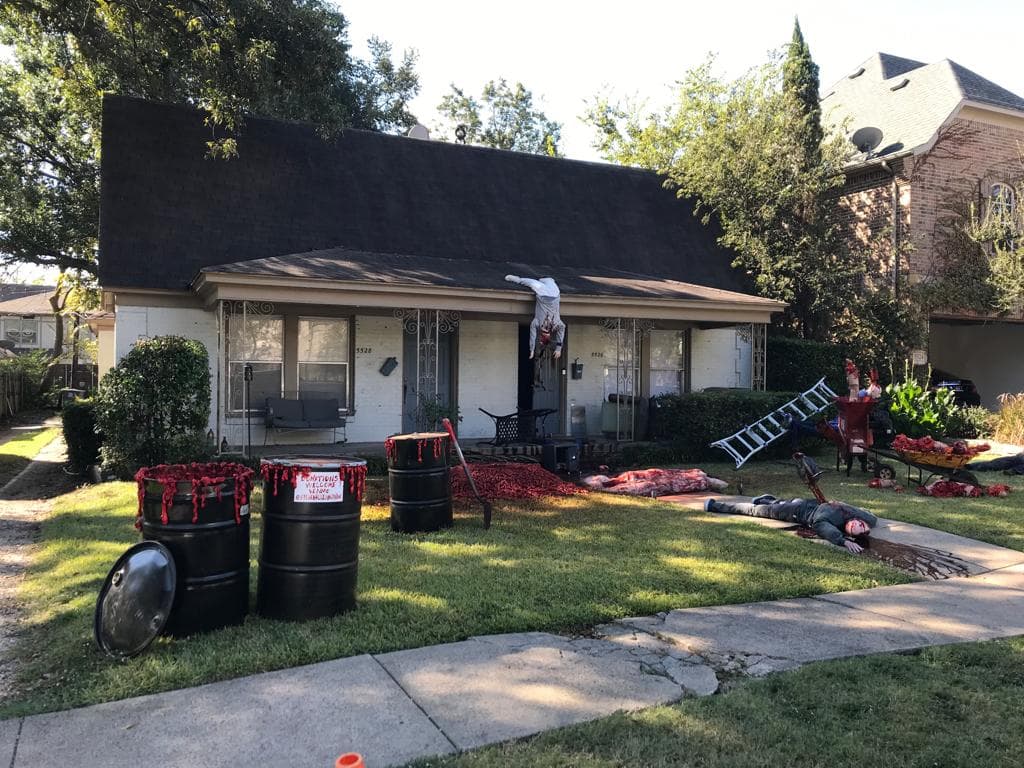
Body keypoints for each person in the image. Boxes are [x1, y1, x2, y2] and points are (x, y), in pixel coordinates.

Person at [704, 495, 877, 553]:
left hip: (798, 510)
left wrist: (843, 540)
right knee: (758, 509)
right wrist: (844, 540)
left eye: (858, 533)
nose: (858, 528)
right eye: (861, 525)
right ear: (857, 518)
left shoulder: (832, 521)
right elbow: (871, 518)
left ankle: (766, 500)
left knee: (763, 509)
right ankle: (717, 506)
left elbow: (823, 527)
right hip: (802, 507)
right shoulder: (845, 513)